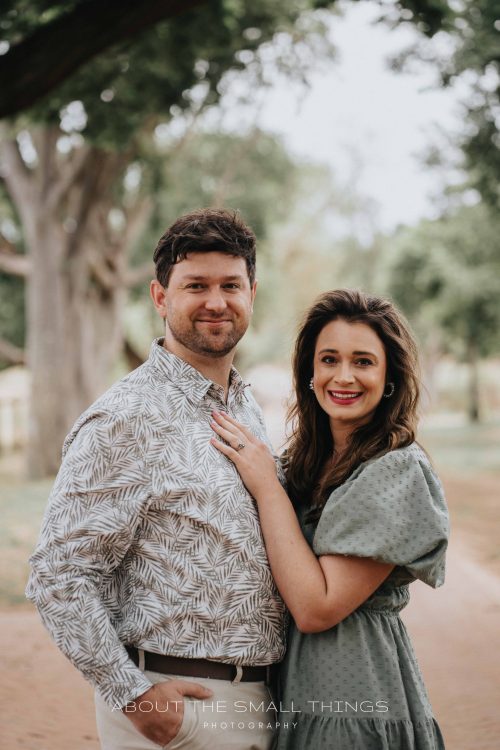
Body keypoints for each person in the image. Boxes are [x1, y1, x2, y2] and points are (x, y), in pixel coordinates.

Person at [26, 207, 286, 750]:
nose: (216, 301)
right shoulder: (125, 418)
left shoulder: (245, 406)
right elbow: (58, 574)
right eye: (196, 286)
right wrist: (135, 700)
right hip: (178, 706)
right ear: (160, 297)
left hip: (263, 699)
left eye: (230, 285)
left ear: (252, 294)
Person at [210, 288, 450, 750]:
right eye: (329, 360)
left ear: (390, 376)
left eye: (363, 362)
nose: (343, 376)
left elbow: (316, 607)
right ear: (310, 372)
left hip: (356, 696)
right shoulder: (306, 462)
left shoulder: (395, 469)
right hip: (298, 691)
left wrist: (267, 488)